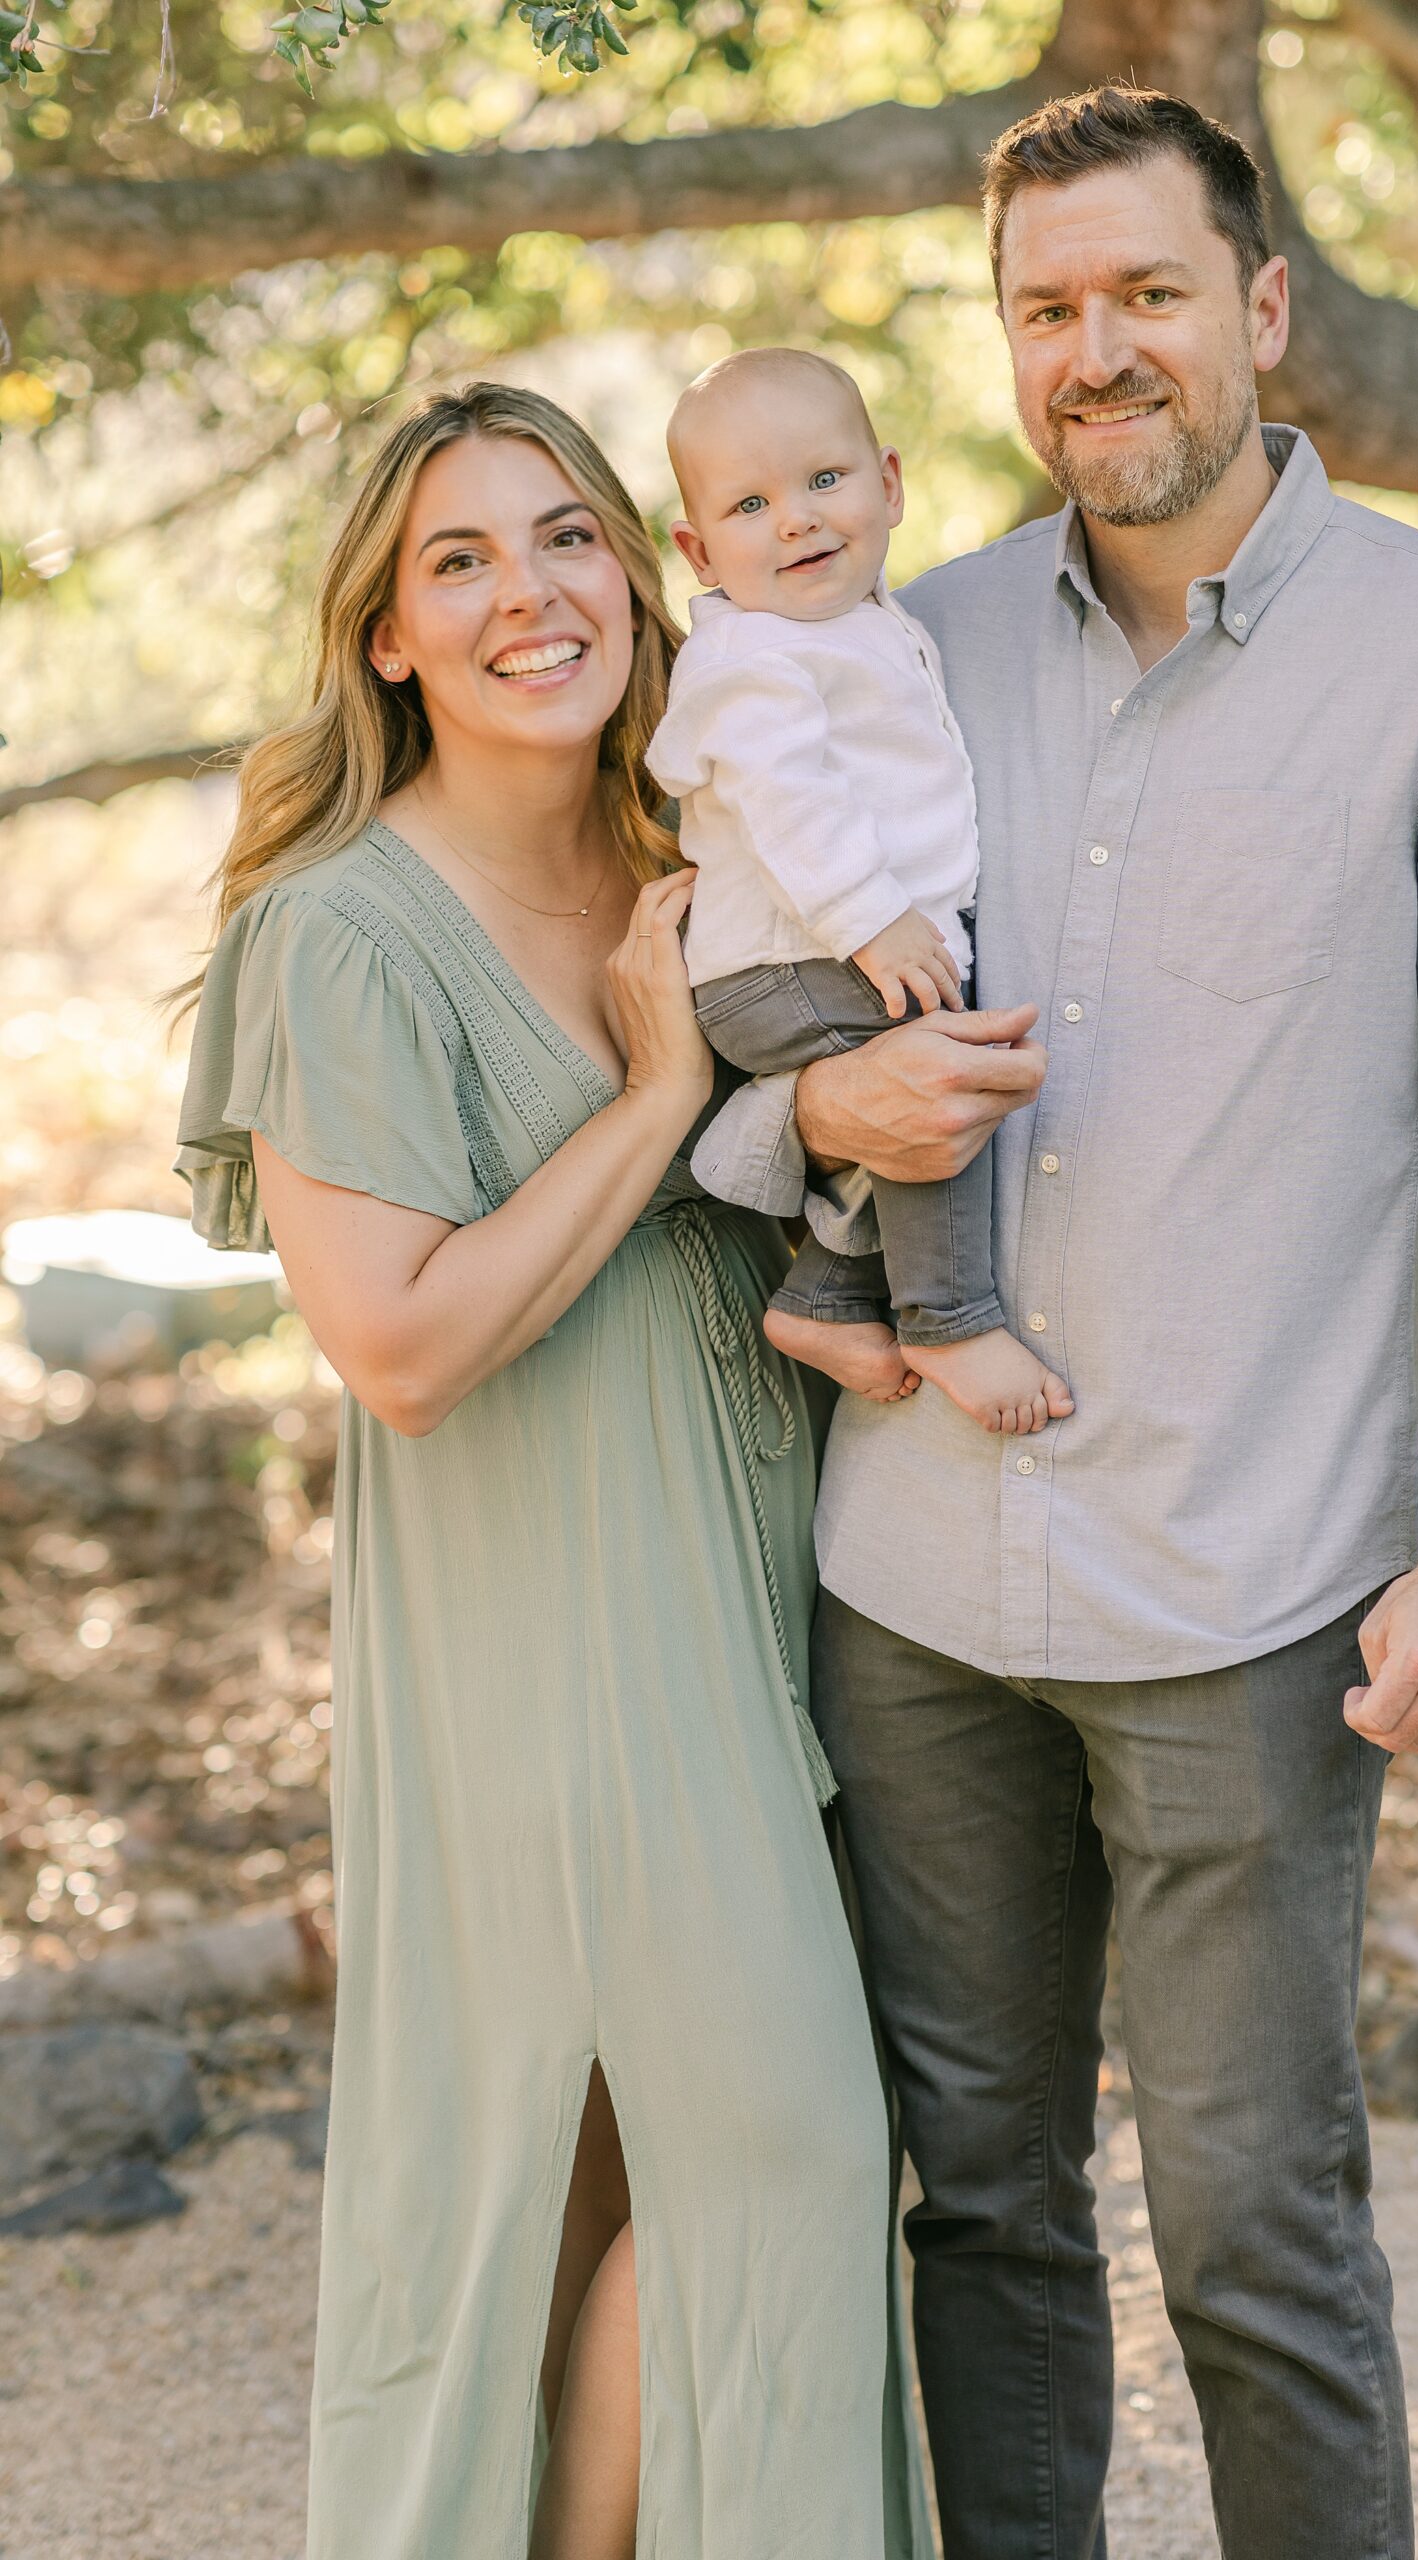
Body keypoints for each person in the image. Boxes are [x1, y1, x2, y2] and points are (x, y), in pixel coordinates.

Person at [694, 84, 1418, 2560]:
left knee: (1257, 2235)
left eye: (1138, 295)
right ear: (997, 352)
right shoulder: (889, 651)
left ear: (1255, 309)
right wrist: (827, 1125)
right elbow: (746, 1031)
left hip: (1246, 1588)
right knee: (976, 2207)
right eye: (1041, 310)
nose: (1090, 350)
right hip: (910, 1580)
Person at [174, 382, 927, 2560]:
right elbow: (398, 1343)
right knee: (771, 2175)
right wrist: (658, 1087)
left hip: (776, 1605)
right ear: (387, 635)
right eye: (462, 561)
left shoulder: (711, 864)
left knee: (622, 2197)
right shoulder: (340, 931)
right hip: (550, 1667)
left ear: (641, 564)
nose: (532, 594)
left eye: (569, 536)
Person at [649, 344, 1073, 1437]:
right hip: (792, 957)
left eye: (823, 481)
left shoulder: (870, 624)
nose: (795, 518)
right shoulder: (751, 659)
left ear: (889, 485)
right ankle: (949, 1318)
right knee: (939, 1075)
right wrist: (873, 919)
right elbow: (790, 796)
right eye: (751, 504)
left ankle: (827, 1297)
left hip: (837, 945)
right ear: (698, 550)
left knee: (912, 1086)